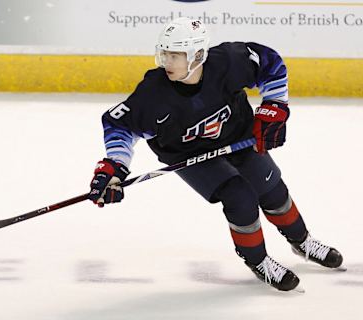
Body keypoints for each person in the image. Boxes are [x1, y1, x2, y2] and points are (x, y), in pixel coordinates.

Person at [87, 17, 343, 291]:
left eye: (176, 55)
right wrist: (115, 166)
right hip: (189, 154)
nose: (167, 63)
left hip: (237, 137)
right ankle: (258, 260)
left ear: (198, 55)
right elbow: (119, 125)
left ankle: (301, 242)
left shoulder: (228, 62)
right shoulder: (153, 94)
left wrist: (275, 106)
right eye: (165, 54)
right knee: (239, 196)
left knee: (272, 190)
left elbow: (269, 62)